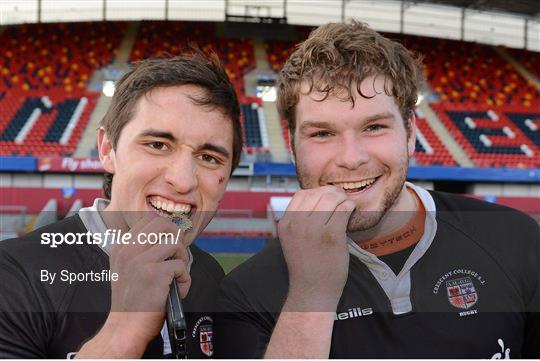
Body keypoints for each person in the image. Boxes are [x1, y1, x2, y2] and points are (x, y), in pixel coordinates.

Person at [213, 21, 540, 358]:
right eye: (322, 134)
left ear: (410, 132)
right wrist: (311, 297)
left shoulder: (515, 241)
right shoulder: (245, 294)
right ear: (293, 148)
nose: (351, 159)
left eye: (374, 127)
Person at [0, 51, 243, 358]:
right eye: (157, 145)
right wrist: (124, 330)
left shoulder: (211, 276)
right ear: (107, 149)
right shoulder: (15, 275)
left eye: (209, 158)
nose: (183, 181)